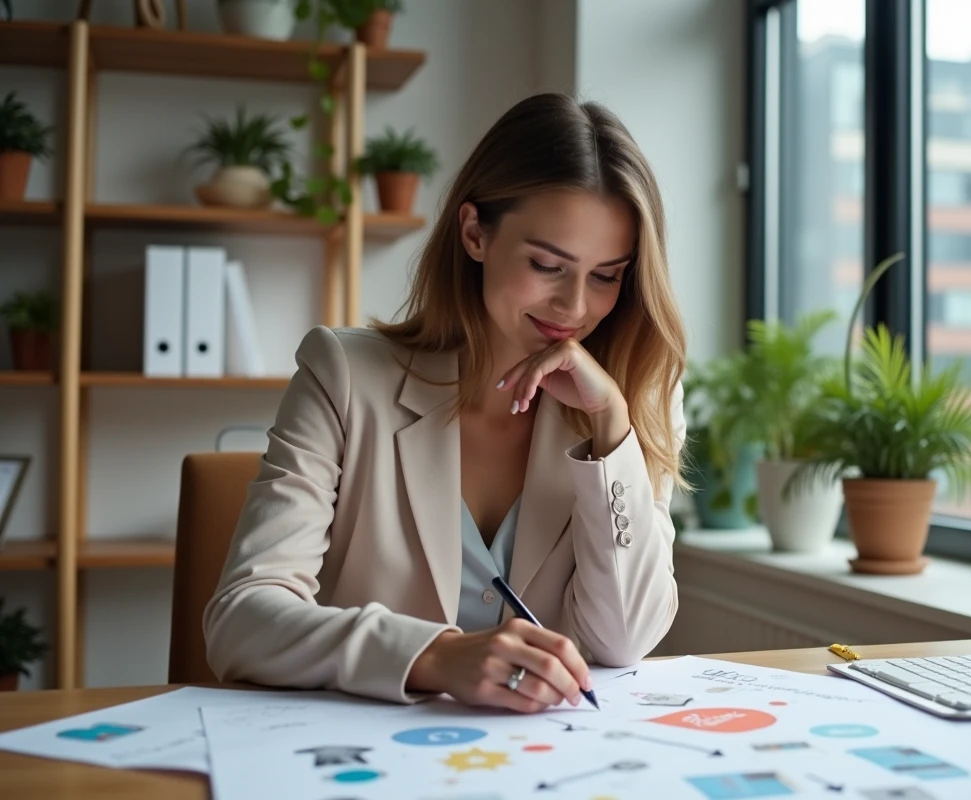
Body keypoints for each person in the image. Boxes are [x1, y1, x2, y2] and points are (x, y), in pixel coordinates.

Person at [203, 93, 688, 713]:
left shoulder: (638, 397)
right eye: (547, 264)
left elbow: (620, 642)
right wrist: (431, 656)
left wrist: (611, 431)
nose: (574, 308)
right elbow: (240, 620)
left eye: (606, 275)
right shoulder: (344, 376)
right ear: (474, 233)